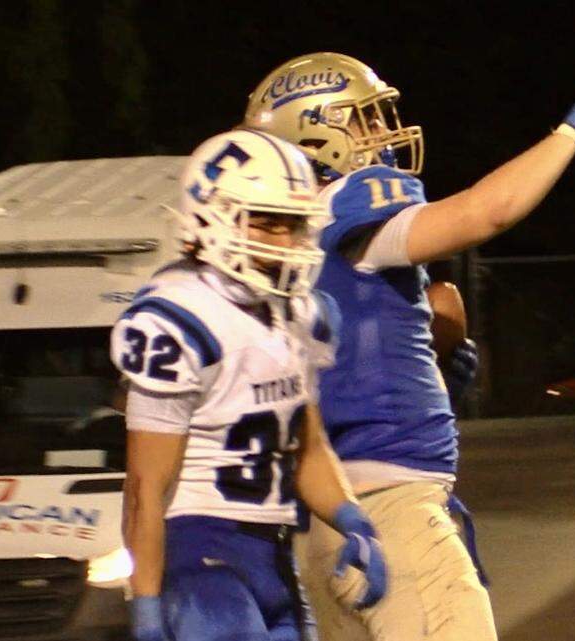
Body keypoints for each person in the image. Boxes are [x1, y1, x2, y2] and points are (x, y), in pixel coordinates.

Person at [241, 51, 575, 641]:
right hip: (391, 516)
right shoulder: (348, 206)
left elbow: (334, 362)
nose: (382, 132)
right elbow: (485, 213)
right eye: (363, 120)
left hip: (325, 527)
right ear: (315, 131)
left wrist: (427, 370)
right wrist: (569, 135)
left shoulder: (287, 240)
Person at [114, 129, 387, 641]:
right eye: (267, 224)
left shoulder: (300, 315)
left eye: (294, 225)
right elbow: (146, 489)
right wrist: (147, 602)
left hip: (275, 553)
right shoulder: (179, 318)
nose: (286, 241)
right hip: (200, 554)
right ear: (209, 218)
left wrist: (353, 519)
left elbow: (306, 445)